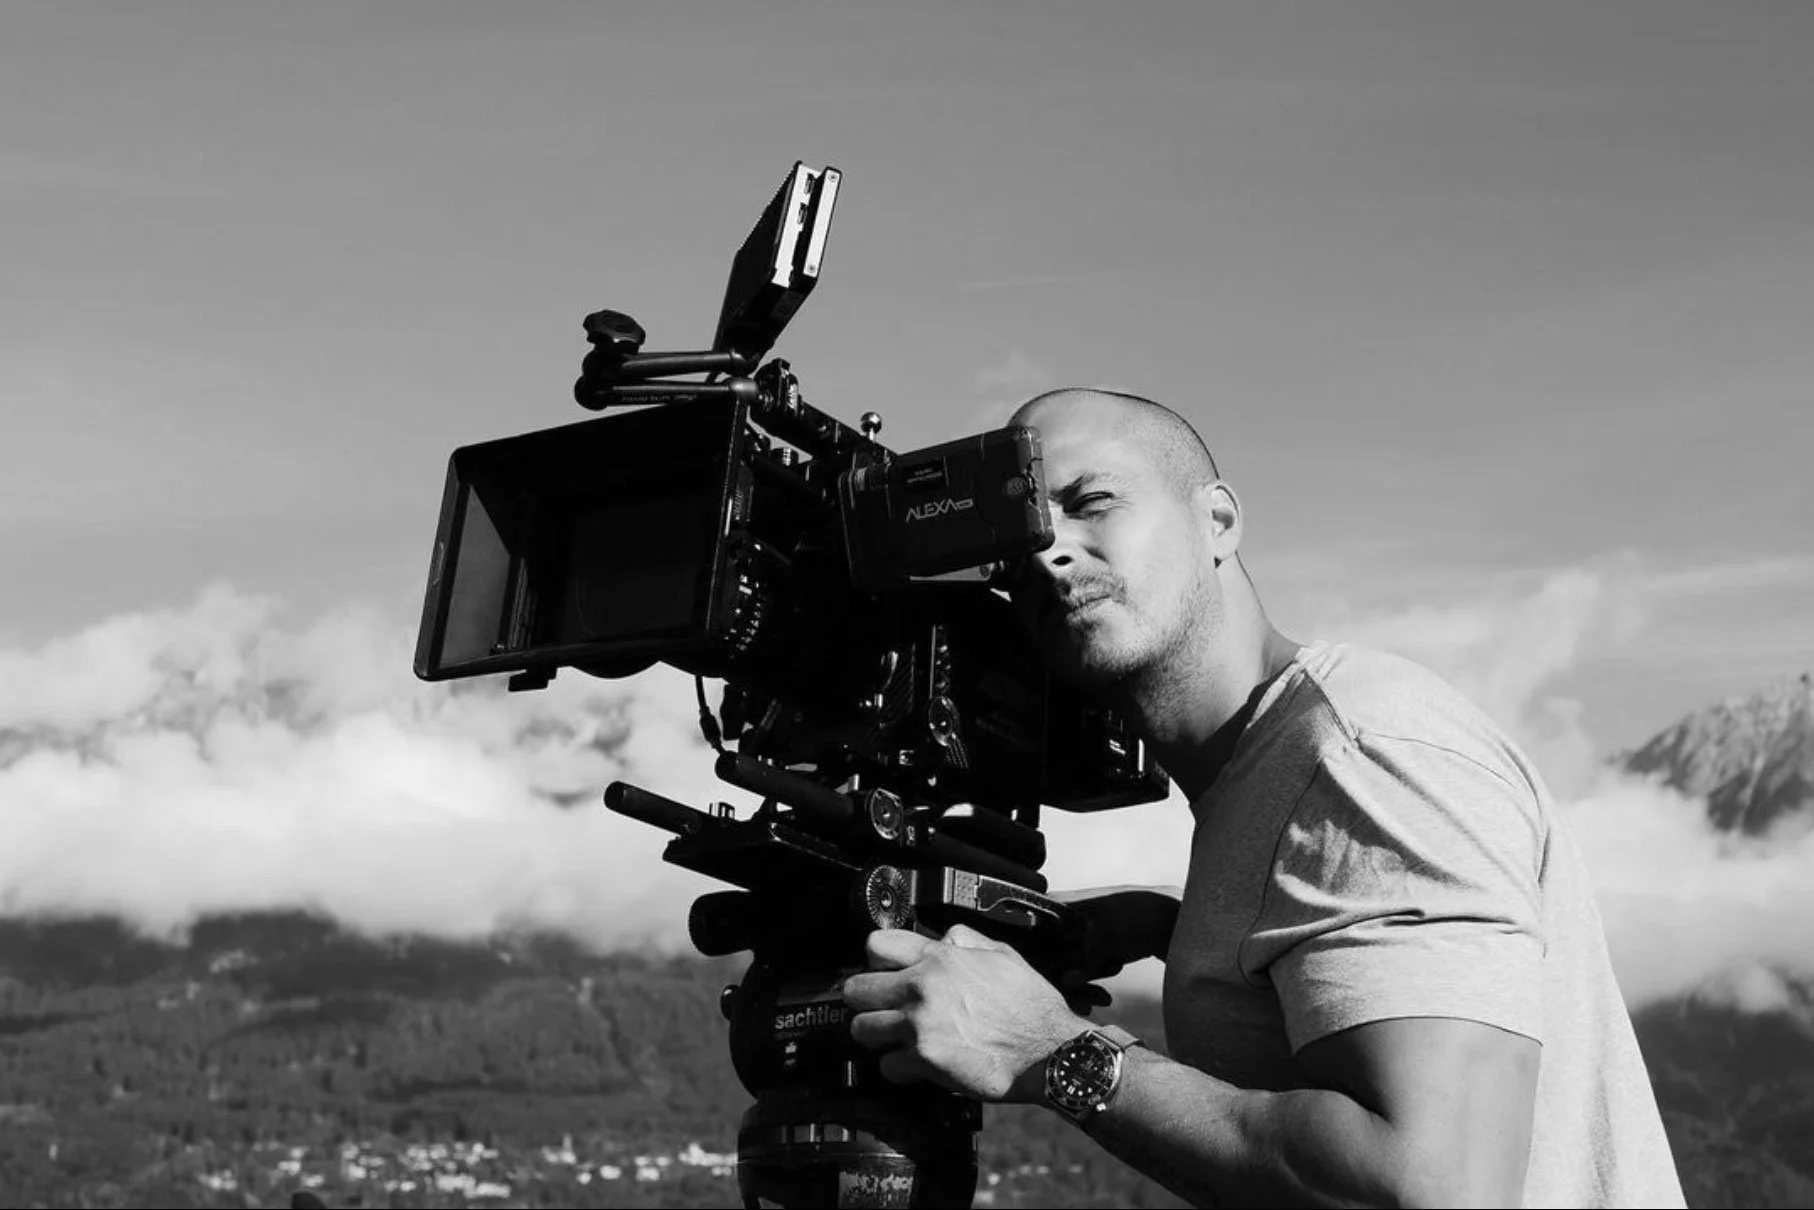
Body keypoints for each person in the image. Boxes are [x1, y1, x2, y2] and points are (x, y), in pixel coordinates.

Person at [841, 388, 1684, 1207]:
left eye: (1091, 502)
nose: (1047, 549)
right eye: (1020, 533)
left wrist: (1047, 1047)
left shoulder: (1359, 752)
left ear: (1218, 520)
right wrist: (1182, 929)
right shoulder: (1270, 773)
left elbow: (1435, 1188)